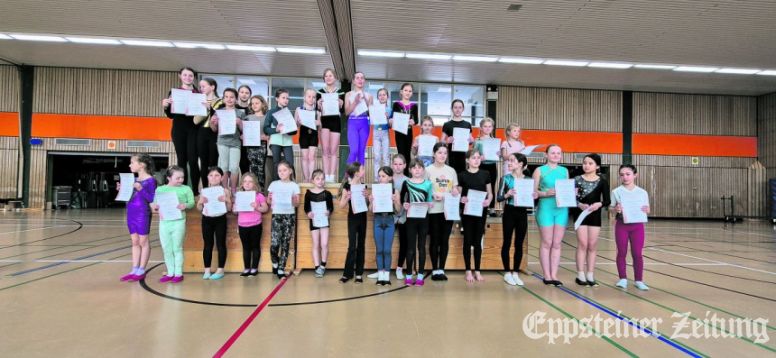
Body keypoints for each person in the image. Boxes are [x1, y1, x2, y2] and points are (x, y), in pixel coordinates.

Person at [150, 165, 194, 283]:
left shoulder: (186, 189)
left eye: (182, 178)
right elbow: (154, 204)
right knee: (166, 248)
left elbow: (191, 203)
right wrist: (155, 206)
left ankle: (178, 273)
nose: (181, 180)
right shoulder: (160, 190)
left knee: (177, 248)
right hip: (164, 222)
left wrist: (184, 205)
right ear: (169, 177)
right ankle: (170, 272)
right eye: (177, 178)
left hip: (179, 222)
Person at [533, 144, 569, 286]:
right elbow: (534, 193)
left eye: (558, 153)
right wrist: (545, 193)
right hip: (545, 208)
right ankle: (546, 275)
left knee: (557, 243)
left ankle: (554, 274)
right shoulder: (539, 170)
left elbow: (566, 190)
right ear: (546, 155)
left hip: (561, 209)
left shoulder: (564, 171)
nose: (555, 155)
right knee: (547, 242)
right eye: (552, 153)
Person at [572, 154, 610, 286]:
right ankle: (580, 274)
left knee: (592, 245)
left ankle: (590, 274)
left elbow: (607, 200)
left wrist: (599, 204)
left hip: (594, 215)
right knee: (582, 244)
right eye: (585, 163)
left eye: (590, 163)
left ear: (597, 166)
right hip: (580, 214)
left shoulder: (602, 181)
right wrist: (579, 204)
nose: (586, 165)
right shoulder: (576, 179)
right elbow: (570, 197)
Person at [497, 153, 535, 286]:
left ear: (520, 164)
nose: (509, 162)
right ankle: (507, 272)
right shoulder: (506, 178)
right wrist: (507, 194)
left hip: (522, 213)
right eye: (509, 160)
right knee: (507, 242)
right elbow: (499, 198)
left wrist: (534, 196)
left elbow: (532, 198)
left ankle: (516, 272)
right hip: (509, 212)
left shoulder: (529, 180)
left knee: (519, 244)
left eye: (512, 160)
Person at [611, 164, 651, 291]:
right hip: (622, 225)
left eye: (628, 174)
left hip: (637, 226)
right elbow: (611, 209)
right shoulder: (616, 192)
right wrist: (615, 209)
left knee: (637, 253)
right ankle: (622, 278)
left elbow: (647, 208)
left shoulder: (642, 192)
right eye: (622, 175)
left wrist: (646, 209)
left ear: (635, 175)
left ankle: (639, 280)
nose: (625, 177)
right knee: (621, 252)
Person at [161, 67, 200, 194]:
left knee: (193, 160)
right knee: (181, 160)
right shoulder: (174, 92)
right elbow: (171, 115)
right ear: (180, 76)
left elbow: (201, 115)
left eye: (190, 75)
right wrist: (166, 106)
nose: (188, 78)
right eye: (185, 75)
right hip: (178, 129)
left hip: (193, 129)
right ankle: (182, 191)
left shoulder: (198, 93)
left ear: (194, 77)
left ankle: (195, 192)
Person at [118, 153, 156, 282]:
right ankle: (134, 268)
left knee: (143, 241)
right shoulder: (132, 180)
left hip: (142, 213)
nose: (130, 165)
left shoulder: (151, 180)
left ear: (142, 165)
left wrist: (140, 189)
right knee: (134, 241)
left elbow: (151, 199)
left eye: (132, 162)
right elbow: (128, 197)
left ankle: (142, 269)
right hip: (131, 212)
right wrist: (122, 190)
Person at [425, 143, 458, 281]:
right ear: (434, 154)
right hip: (433, 211)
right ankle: (434, 269)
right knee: (434, 240)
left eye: (445, 153)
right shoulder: (427, 170)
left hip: (447, 211)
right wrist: (432, 194)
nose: (442, 155)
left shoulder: (451, 171)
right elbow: (424, 188)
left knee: (444, 240)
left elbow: (455, 189)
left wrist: (456, 191)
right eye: (439, 152)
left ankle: (441, 269)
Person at [457, 149, 492, 283]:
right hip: (467, 212)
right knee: (467, 239)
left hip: (481, 212)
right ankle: (468, 270)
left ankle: (477, 270)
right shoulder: (462, 175)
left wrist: (488, 201)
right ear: (467, 160)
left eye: (478, 158)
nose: (476, 160)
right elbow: (459, 195)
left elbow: (490, 193)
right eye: (473, 158)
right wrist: (462, 199)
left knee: (478, 241)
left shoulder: (486, 174)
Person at [400, 159, 434, 286]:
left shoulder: (428, 184)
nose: (417, 170)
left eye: (420, 168)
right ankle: (408, 274)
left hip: (424, 219)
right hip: (411, 220)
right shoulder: (406, 183)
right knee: (410, 248)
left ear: (423, 170)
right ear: (410, 170)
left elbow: (430, 199)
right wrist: (405, 204)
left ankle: (420, 275)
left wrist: (430, 204)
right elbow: (403, 199)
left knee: (421, 247)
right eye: (414, 168)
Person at [266, 161, 300, 278]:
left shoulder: (294, 185)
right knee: (274, 243)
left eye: (284, 170)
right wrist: (269, 199)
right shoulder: (274, 184)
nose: (282, 172)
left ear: (290, 171)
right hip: (277, 215)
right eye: (279, 170)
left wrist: (293, 200)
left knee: (285, 243)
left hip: (289, 216)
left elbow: (296, 204)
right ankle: (275, 262)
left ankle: (281, 268)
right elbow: (269, 201)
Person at [209, 88, 247, 194]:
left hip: (235, 143)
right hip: (222, 142)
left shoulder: (240, 113)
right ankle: (225, 190)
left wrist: (240, 123)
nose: (229, 99)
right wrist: (212, 122)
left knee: (234, 167)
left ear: (236, 99)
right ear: (223, 99)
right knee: (224, 167)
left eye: (232, 97)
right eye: (226, 97)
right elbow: (214, 129)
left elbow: (245, 131)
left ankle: (234, 190)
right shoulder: (218, 112)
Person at [197, 167, 232, 280]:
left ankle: (220, 269)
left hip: (220, 219)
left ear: (221, 177)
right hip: (207, 219)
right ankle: (207, 270)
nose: (214, 177)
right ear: (207, 177)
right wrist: (200, 202)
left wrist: (227, 200)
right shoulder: (204, 191)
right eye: (211, 175)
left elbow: (229, 208)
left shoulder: (225, 190)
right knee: (208, 244)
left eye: (217, 175)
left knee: (220, 244)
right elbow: (199, 208)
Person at [338, 162, 369, 283]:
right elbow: (341, 205)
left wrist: (367, 197)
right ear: (356, 173)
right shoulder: (347, 186)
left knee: (361, 245)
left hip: (363, 218)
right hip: (352, 218)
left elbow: (366, 204)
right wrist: (347, 198)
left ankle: (359, 274)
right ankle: (347, 273)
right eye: (362, 169)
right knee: (352, 246)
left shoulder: (363, 186)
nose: (364, 170)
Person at [234, 172, 268, 277]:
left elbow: (265, 208)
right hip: (242, 225)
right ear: (242, 184)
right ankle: (246, 268)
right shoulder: (238, 195)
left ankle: (254, 268)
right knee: (246, 247)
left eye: (250, 181)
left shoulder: (259, 195)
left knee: (255, 246)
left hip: (255, 225)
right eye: (245, 181)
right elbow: (235, 212)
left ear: (254, 183)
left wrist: (257, 207)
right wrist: (234, 209)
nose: (247, 184)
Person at [316, 68, 345, 183]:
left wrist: (341, 105)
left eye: (331, 75)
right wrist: (318, 105)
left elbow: (342, 111)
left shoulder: (341, 92)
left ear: (335, 78)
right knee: (325, 150)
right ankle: (325, 176)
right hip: (324, 121)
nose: (328, 77)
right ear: (324, 78)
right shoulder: (319, 92)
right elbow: (317, 110)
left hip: (335, 122)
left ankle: (331, 176)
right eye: (326, 76)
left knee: (333, 151)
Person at [303, 169, 333, 278]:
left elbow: (331, 207)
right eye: (318, 179)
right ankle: (317, 267)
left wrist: (328, 211)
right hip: (314, 222)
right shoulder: (308, 193)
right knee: (315, 244)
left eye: (322, 179)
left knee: (324, 244)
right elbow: (306, 207)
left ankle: (323, 265)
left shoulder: (327, 194)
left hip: (324, 221)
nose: (320, 181)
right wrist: (308, 213)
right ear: (313, 180)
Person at [194, 77, 222, 191]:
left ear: (213, 87)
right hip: (201, 132)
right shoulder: (199, 101)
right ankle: (205, 189)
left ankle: (215, 188)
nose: (201, 88)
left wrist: (209, 108)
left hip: (214, 133)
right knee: (203, 162)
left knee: (213, 162)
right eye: (200, 87)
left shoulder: (221, 101)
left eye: (204, 86)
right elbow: (195, 120)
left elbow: (219, 116)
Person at [264, 88, 296, 181]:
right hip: (276, 140)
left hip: (287, 141)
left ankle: (290, 184)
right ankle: (276, 185)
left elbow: (294, 131)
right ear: (277, 98)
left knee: (290, 163)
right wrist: (276, 129)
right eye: (283, 98)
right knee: (276, 164)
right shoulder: (271, 112)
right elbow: (266, 129)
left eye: (287, 98)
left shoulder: (289, 112)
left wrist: (288, 129)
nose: (286, 100)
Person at [345, 72, 373, 166]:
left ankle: (360, 178)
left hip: (364, 122)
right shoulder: (348, 94)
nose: (360, 80)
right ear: (353, 81)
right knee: (354, 150)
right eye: (357, 78)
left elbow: (371, 114)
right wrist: (355, 102)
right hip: (353, 122)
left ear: (364, 81)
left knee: (361, 151)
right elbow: (347, 112)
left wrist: (365, 100)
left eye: (362, 78)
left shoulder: (369, 96)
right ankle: (348, 177)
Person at [391, 83, 418, 175]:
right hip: (399, 133)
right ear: (401, 92)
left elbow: (417, 120)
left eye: (410, 91)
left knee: (407, 155)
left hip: (409, 132)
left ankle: (406, 176)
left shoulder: (414, 106)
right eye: (406, 90)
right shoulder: (396, 104)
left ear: (412, 93)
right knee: (401, 154)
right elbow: (393, 118)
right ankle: (399, 175)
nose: (408, 92)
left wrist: (413, 122)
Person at [441, 99, 473, 175]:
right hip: (451, 156)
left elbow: (471, 141)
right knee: (451, 175)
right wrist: (446, 141)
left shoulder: (467, 124)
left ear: (463, 109)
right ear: (452, 109)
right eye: (455, 107)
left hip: (463, 156)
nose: (457, 110)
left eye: (460, 107)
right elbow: (441, 141)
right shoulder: (447, 124)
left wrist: (471, 140)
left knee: (462, 177)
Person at [245, 95, 270, 191]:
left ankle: (261, 192)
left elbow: (269, 133)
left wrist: (267, 137)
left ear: (262, 103)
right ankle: (252, 191)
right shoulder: (248, 117)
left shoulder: (267, 117)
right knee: (252, 169)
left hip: (262, 146)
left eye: (257, 103)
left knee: (261, 170)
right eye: (252, 103)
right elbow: (243, 132)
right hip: (250, 147)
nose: (254, 105)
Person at [296, 88, 321, 182]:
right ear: (304, 97)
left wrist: (318, 122)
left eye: (313, 97)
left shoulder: (317, 111)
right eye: (309, 96)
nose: (311, 99)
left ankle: (311, 177)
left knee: (311, 157)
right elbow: (296, 125)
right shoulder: (299, 109)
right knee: (305, 157)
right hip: (303, 134)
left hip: (313, 135)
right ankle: (306, 178)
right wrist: (298, 122)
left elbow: (320, 125)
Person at [372, 88, 392, 182]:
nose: (382, 96)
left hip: (385, 133)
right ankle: (377, 179)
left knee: (386, 156)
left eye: (384, 94)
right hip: (376, 133)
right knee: (376, 156)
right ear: (377, 97)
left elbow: (390, 125)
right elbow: (370, 120)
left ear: (387, 97)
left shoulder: (389, 109)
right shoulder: (374, 108)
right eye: (380, 95)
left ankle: (386, 178)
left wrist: (388, 118)